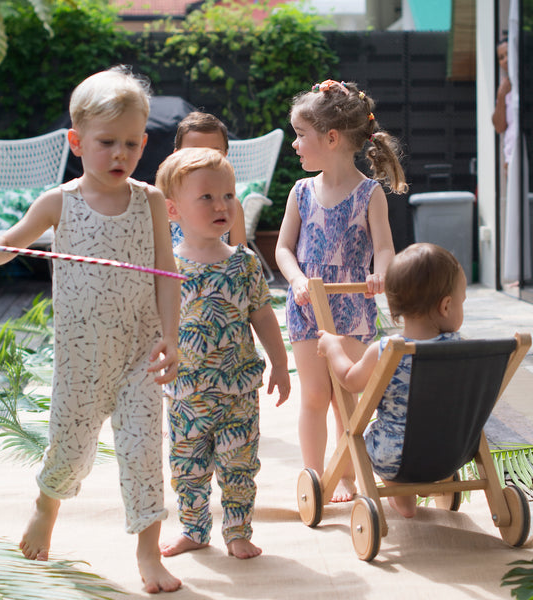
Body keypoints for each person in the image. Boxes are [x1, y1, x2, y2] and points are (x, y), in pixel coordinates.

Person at [0, 66, 182, 594]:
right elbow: (6, 249)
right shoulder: (59, 202)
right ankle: (46, 505)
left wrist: (170, 338)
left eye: (131, 143)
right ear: (76, 142)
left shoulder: (150, 200)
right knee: (69, 445)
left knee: (142, 453)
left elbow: (167, 273)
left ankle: (148, 551)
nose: (120, 155)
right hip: (81, 358)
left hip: (138, 353)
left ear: (144, 142)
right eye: (106, 143)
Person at [155, 147, 291, 560]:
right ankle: (194, 530)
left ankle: (237, 531)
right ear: (172, 209)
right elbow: (152, 323)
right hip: (186, 393)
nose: (222, 205)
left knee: (239, 465)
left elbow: (264, 317)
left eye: (229, 195)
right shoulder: (166, 266)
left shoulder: (244, 264)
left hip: (237, 392)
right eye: (208, 197)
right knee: (188, 469)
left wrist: (281, 365)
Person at [275, 79, 407, 502]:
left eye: (300, 135)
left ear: (331, 138)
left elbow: (384, 248)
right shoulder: (300, 192)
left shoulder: (369, 194)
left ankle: (344, 475)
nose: (295, 145)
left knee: (346, 398)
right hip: (306, 303)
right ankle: (314, 476)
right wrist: (296, 278)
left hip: (353, 302)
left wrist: (379, 275)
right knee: (314, 394)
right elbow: (282, 249)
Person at [316, 243, 466, 518]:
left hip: (396, 456)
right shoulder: (461, 350)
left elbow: (350, 381)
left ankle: (401, 495)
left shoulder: (385, 350)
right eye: (462, 301)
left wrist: (334, 347)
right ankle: (426, 486)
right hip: (453, 450)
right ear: (446, 306)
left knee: (370, 437)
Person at [170, 111, 247, 247]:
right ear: (177, 156)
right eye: (194, 153)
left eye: (213, 153)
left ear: (225, 156)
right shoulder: (166, 204)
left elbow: (243, 259)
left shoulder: (231, 205)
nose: (204, 161)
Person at [492, 37, 515, 171]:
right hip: (512, 158)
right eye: (501, 57)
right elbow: (499, 127)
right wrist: (501, 96)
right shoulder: (504, 87)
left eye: (508, 54)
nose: (505, 60)